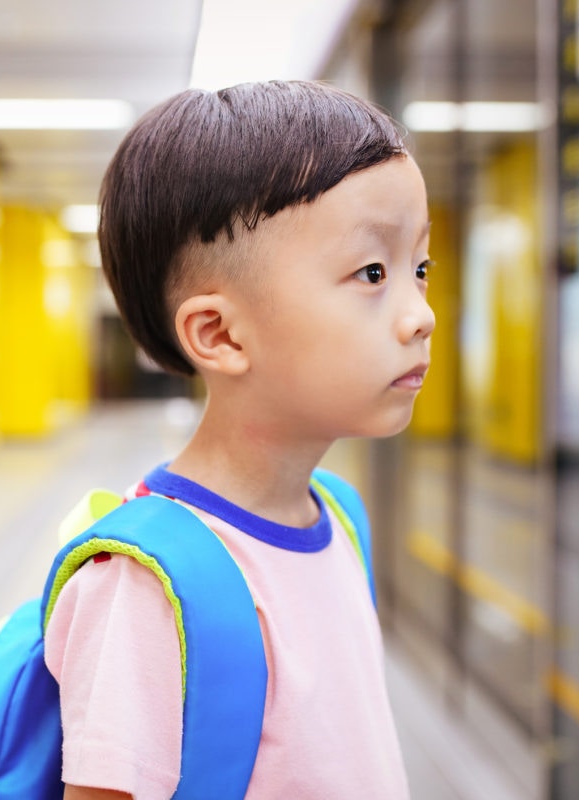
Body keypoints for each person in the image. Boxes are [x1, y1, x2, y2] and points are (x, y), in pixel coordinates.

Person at [43, 80, 434, 800]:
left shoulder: (340, 519)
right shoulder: (145, 588)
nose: (421, 315)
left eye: (420, 269)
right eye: (372, 273)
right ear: (220, 335)